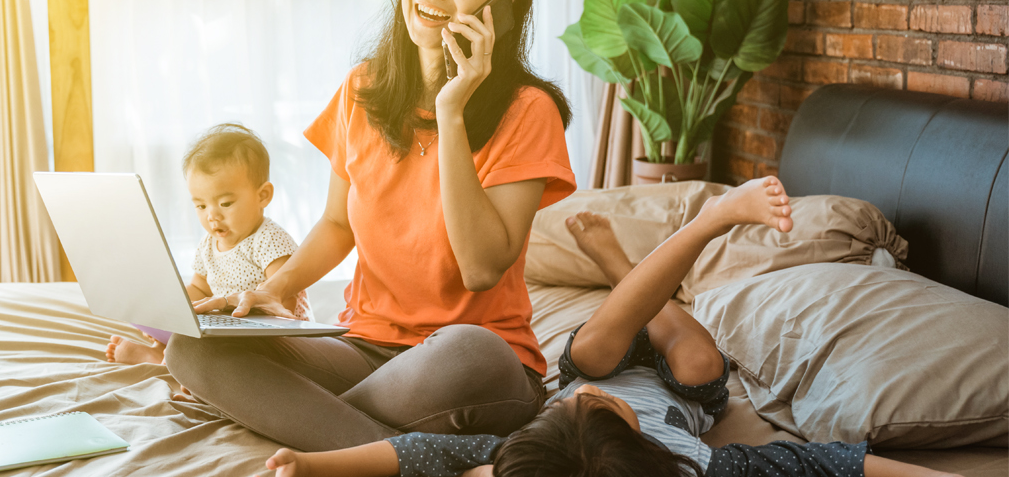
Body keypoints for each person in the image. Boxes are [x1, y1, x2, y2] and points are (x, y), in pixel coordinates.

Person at [164, 0, 576, 452]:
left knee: (467, 350)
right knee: (191, 349)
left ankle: (308, 420)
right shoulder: (363, 89)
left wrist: (452, 110)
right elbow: (338, 224)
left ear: (504, 3)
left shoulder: (529, 110)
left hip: (472, 363)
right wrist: (272, 291)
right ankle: (397, 456)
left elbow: (480, 267)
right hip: (365, 349)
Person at [259, 177, 963, 477]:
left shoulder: (518, 457)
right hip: (691, 393)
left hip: (592, 355)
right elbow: (839, 466)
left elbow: (418, 455)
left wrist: (310, 465)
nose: (592, 401)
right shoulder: (702, 464)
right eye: (602, 412)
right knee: (689, 363)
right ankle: (690, 233)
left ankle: (632, 268)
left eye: (574, 410)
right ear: (640, 445)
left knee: (593, 351)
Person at [104, 123, 309, 365]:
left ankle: (172, 362)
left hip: (272, 338)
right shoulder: (208, 244)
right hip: (224, 329)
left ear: (262, 195)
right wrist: (167, 309)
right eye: (201, 206)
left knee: (220, 355)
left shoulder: (270, 240)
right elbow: (200, 289)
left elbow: (283, 300)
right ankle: (163, 354)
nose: (212, 216)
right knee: (190, 337)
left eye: (225, 203)